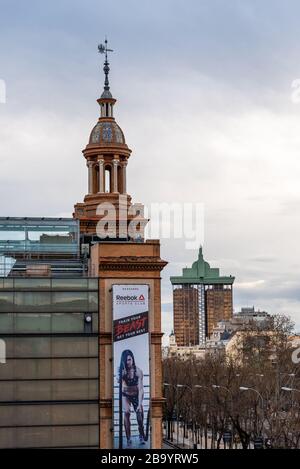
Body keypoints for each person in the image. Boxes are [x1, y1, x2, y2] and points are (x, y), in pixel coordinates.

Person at [119, 349, 146, 447]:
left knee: (140, 414)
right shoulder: (122, 371)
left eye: (130, 359)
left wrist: (139, 404)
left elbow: (141, 389)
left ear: (133, 359)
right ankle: (129, 438)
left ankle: (141, 435)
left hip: (135, 395)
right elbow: (119, 383)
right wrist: (121, 375)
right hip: (125, 395)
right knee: (126, 412)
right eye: (126, 360)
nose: (128, 362)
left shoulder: (138, 371)